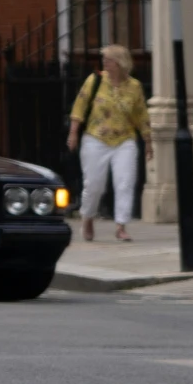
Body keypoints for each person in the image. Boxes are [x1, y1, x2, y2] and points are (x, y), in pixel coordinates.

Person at [66, 43, 147, 243]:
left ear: (120, 63)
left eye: (109, 59)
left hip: (124, 139)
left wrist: (149, 141)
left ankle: (121, 226)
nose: (105, 63)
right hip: (95, 138)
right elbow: (79, 106)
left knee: (125, 182)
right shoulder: (95, 81)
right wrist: (73, 133)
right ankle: (88, 217)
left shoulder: (134, 87)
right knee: (94, 184)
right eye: (104, 59)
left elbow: (141, 116)